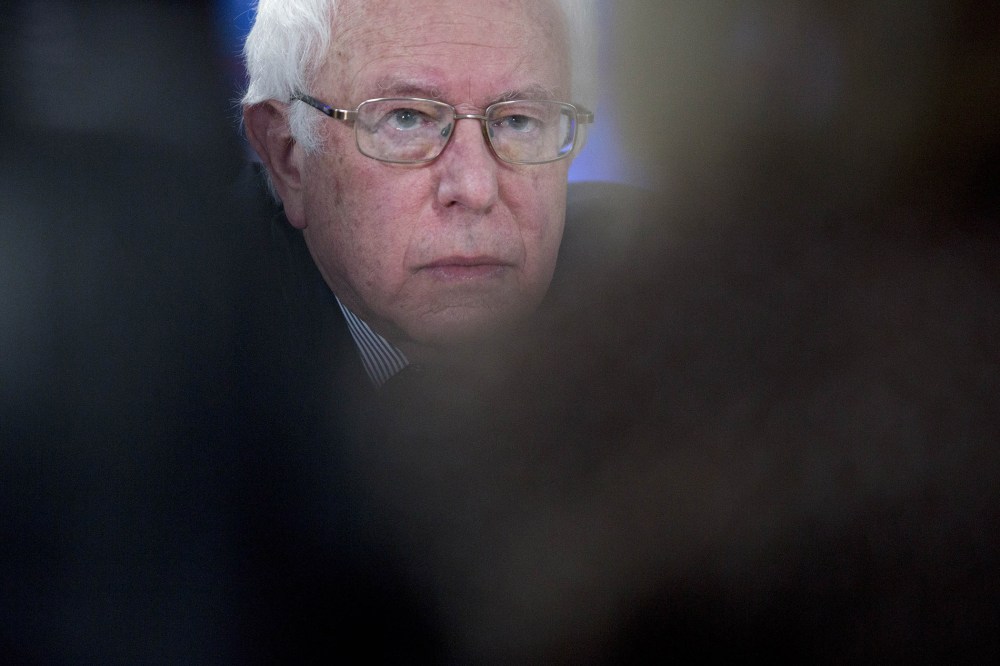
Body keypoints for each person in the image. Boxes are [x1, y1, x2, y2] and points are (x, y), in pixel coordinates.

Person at [241, 0, 597, 387]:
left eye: (518, 120)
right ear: (287, 155)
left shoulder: (642, 297)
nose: (475, 190)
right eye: (406, 118)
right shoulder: (188, 343)